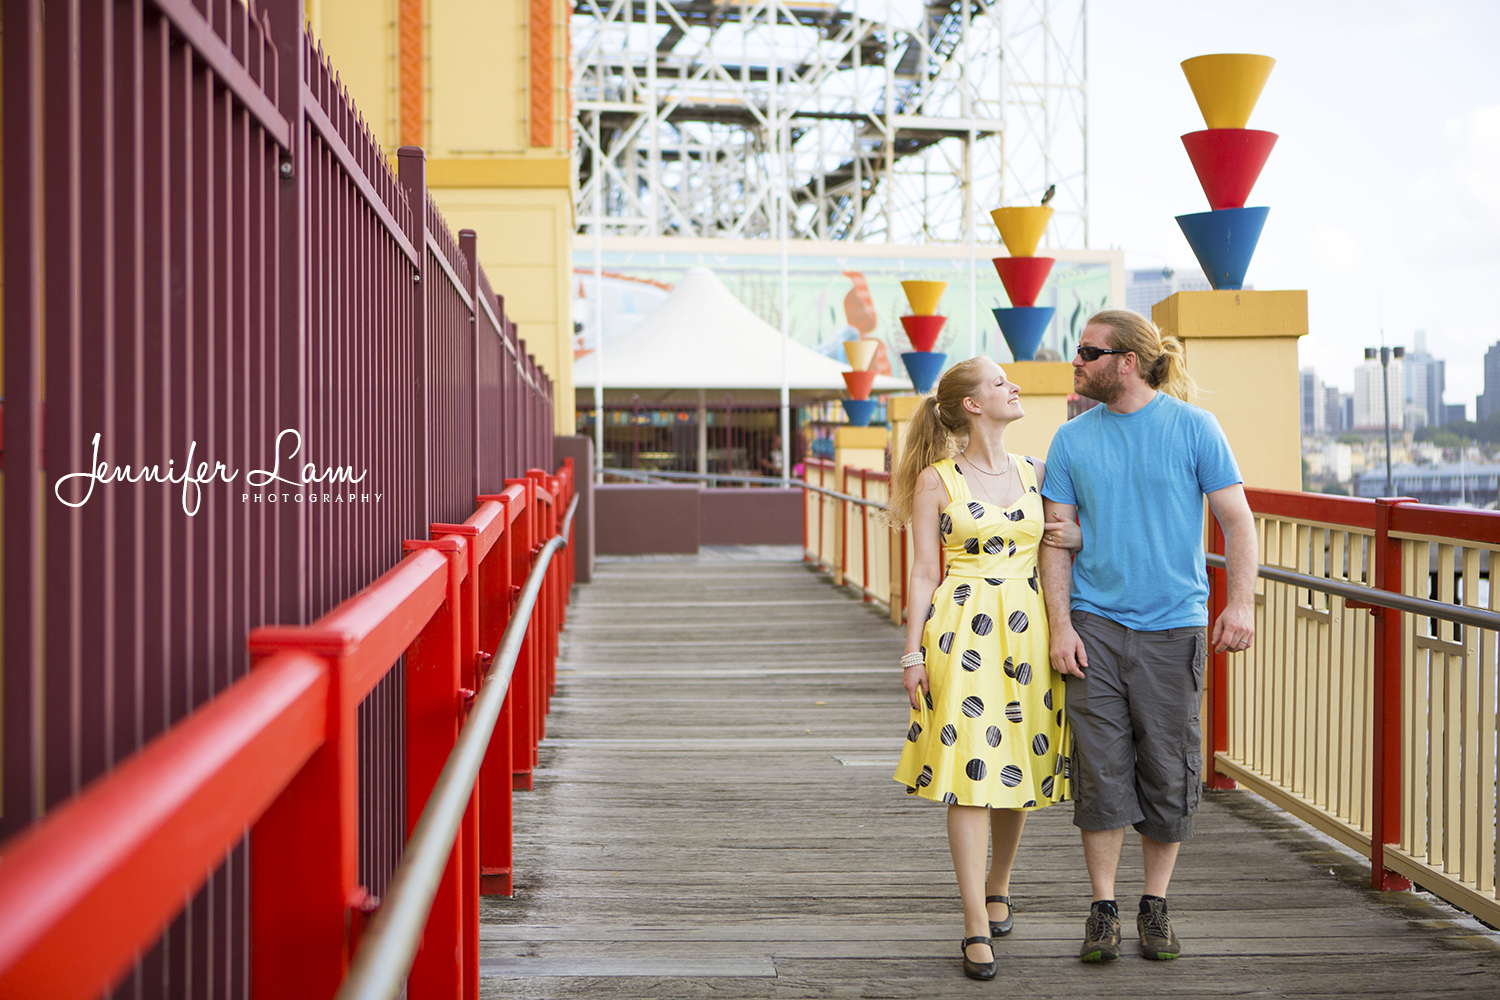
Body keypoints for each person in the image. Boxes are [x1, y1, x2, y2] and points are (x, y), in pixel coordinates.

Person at [1038, 309, 1257, 963]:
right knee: (1101, 770)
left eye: (1088, 351)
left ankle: (1154, 904)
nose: (1076, 361)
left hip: (1174, 625)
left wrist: (1240, 603)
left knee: (1167, 768)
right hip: (1095, 627)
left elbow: (1238, 522)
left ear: (1127, 362)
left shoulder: (1195, 428)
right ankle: (1102, 907)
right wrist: (1060, 626)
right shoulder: (1070, 439)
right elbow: (1056, 539)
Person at [889, 357, 1081, 980]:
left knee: (1015, 760)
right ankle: (975, 920)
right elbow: (925, 571)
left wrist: (1077, 540)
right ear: (973, 404)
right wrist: (912, 652)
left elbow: (1067, 541)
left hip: (1029, 633)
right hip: (962, 629)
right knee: (971, 766)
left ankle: (999, 883)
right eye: (1000, 382)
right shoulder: (936, 481)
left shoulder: (1038, 472)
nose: (1014, 387)